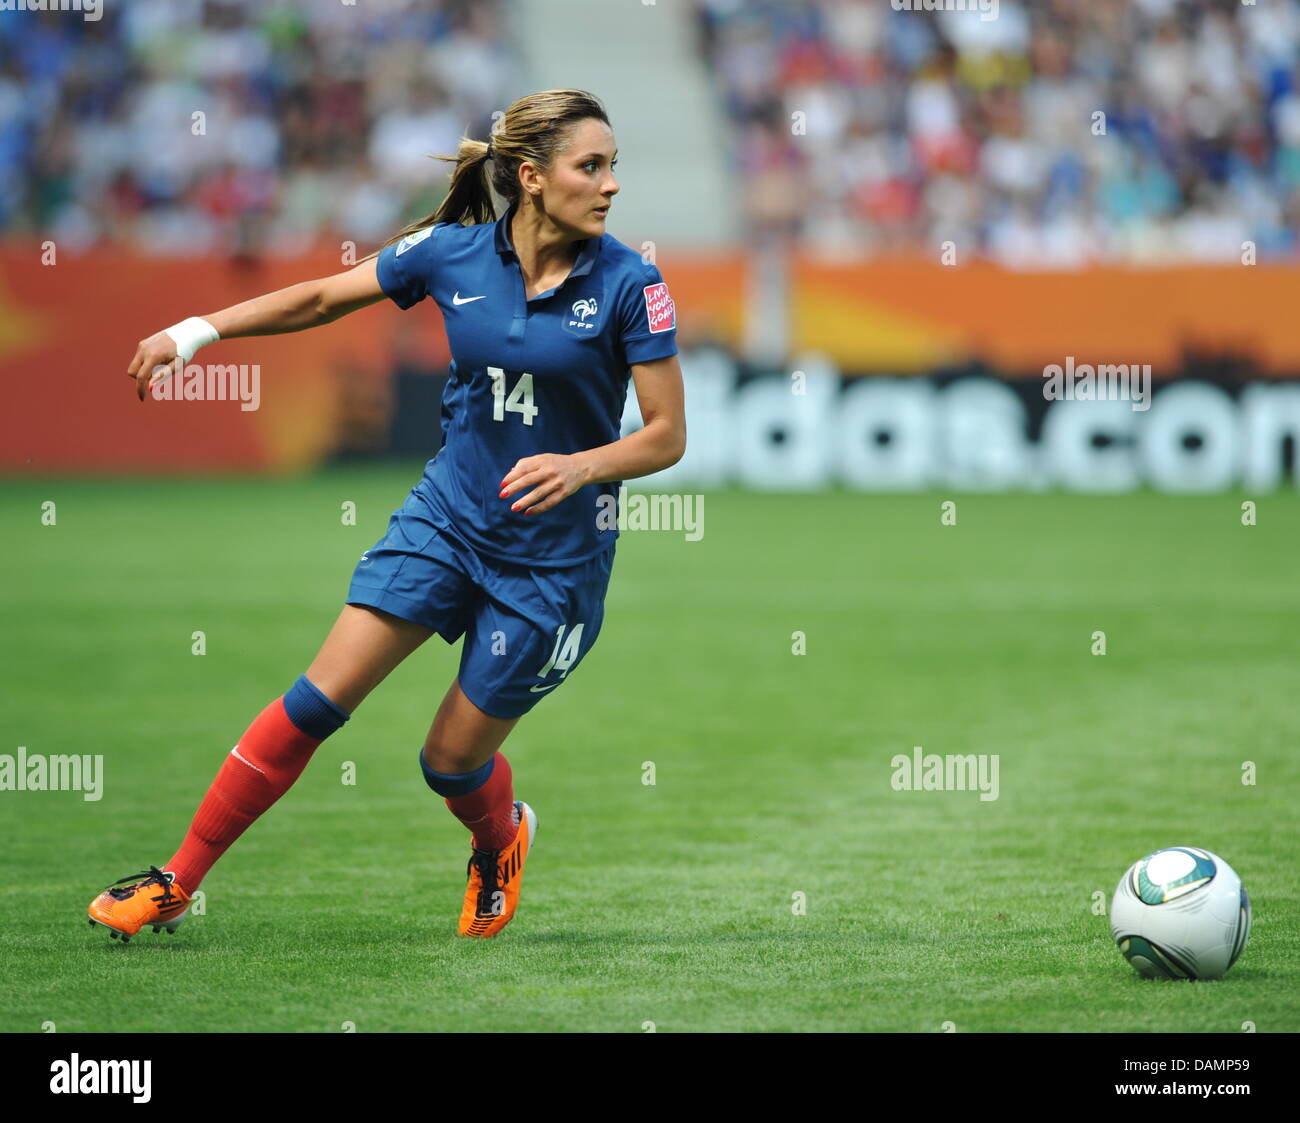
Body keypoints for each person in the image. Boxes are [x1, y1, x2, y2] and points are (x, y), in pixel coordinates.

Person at [87, 88, 686, 941]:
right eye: (592, 166)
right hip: (447, 519)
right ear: (531, 177)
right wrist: (196, 332)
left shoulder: (633, 283)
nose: (611, 184)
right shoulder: (447, 254)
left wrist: (583, 464)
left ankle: (501, 837)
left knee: (449, 762)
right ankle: (176, 879)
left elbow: (666, 436)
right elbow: (324, 299)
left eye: (612, 166)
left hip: (552, 567)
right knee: (314, 701)